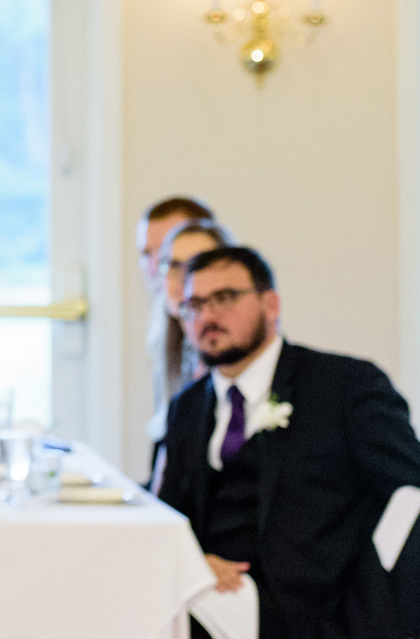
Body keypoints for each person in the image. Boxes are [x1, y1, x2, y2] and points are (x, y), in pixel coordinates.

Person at [157, 245, 420, 639]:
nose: (208, 316)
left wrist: (371, 609)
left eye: (225, 298)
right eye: (193, 305)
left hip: (318, 613)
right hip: (212, 602)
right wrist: (193, 563)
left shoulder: (346, 387)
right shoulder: (186, 407)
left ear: (271, 304)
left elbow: (410, 494)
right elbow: (170, 514)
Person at [148, 217, 232, 447]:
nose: (184, 277)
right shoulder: (174, 346)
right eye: (174, 266)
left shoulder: (231, 352)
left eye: (198, 264)